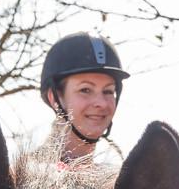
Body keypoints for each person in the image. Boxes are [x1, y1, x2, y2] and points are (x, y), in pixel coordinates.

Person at [39, 32, 128, 168]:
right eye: (85, 90)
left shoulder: (120, 176)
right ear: (55, 99)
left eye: (108, 91)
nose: (102, 103)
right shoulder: (19, 182)